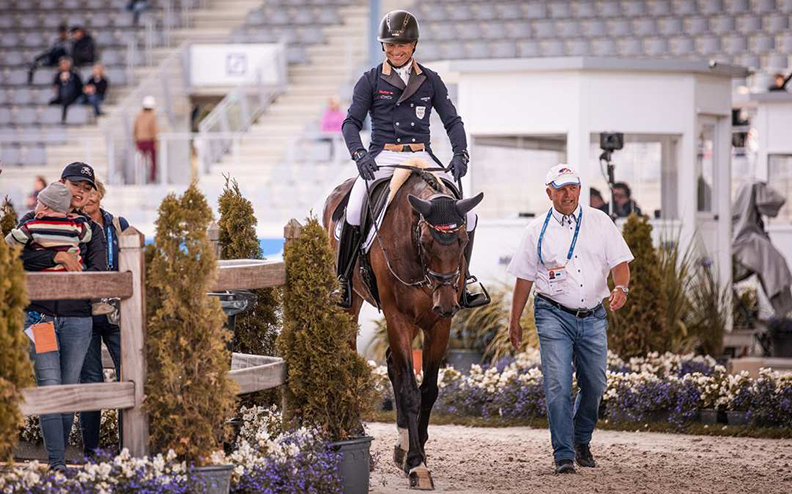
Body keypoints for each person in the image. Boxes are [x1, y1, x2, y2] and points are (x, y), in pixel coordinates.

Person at [340, 9, 483, 309]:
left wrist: (461, 153)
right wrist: (359, 154)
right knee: (353, 209)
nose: (396, 51)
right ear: (383, 46)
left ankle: (465, 281)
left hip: (422, 155)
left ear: (414, 45)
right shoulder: (370, 80)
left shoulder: (430, 80)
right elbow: (350, 123)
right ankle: (344, 282)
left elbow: (453, 122)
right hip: (384, 155)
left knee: (467, 215)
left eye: (402, 45)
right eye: (390, 45)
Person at [507, 164, 633, 475]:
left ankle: (580, 439)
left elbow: (620, 263)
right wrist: (514, 320)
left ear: (579, 189)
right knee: (557, 385)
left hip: (593, 316)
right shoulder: (535, 230)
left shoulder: (600, 221)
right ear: (549, 192)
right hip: (552, 314)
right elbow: (524, 279)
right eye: (561, 189)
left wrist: (621, 288)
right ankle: (563, 454)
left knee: (595, 385)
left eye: (573, 187)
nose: (568, 194)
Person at [17, 162, 106, 472]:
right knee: (50, 385)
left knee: (66, 389)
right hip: (40, 317)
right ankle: (57, 465)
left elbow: (98, 271)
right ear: (60, 183)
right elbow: (16, 255)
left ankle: (59, 462)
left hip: (77, 321)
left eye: (86, 187)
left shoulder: (90, 229)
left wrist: (57, 262)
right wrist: (58, 256)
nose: (80, 191)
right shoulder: (31, 220)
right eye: (75, 184)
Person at [79, 179, 128, 458]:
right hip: (85, 314)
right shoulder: (74, 226)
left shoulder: (118, 224)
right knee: (91, 381)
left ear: (101, 194)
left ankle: (127, 448)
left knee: (129, 375)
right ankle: (92, 454)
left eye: (93, 191)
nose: (89, 197)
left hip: (117, 314)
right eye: (83, 192)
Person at [5, 182, 92, 266]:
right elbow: (87, 236)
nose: (36, 206)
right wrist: (80, 219)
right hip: (71, 268)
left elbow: (12, 240)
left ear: (45, 206)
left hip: (45, 270)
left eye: (38, 203)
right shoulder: (75, 225)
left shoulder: (32, 225)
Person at [133, 96, 159, 183]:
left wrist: (136, 140)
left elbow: (134, 129)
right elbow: (154, 130)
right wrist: (156, 142)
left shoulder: (138, 116)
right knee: (153, 160)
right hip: (149, 142)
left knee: (140, 161)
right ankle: (152, 178)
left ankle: (139, 179)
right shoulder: (152, 116)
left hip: (140, 142)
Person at [49, 57, 83, 124]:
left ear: (68, 65)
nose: (62, 65)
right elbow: (55, 85)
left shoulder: (74, 75)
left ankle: (63, 119)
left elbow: (80, 86)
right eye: (61, 64)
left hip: (72, 96)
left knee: (66, 101)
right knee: (51, 103)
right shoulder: (58, 75)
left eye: (64, 63)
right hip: (61, 96)